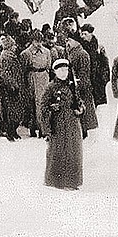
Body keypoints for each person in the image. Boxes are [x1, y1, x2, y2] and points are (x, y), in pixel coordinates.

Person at [39, 58, 84, 190]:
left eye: (66, 70)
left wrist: (80, 109)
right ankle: (57, 181)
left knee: (73, 151)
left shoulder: (72, 85)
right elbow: (43, 107)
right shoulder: (51, 87)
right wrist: (47, 129)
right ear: (55, 72)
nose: (64, 73)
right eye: (61, 70)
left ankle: (72, 181)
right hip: (57, 124)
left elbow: (80, 102)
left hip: (72, 123)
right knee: (59, 151)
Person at [21, 30, 51, 138]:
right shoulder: (26, 53)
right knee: (32, 104)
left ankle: (43, 128)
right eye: (36, 41)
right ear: (32, 41)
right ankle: (33, 128)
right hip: (32, 79)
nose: (38, 44)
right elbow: (24, 70)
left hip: (44, 78)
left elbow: (48, 65)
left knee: (43, 103)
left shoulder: (46, 52)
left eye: (40, 41)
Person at [0, 35, 26, 141]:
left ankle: (13, 131)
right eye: (13, 45)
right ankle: (10, 131)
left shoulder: (9, 55)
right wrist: (13, 85)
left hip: (13, 86)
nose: (15, 47)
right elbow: (5, 73)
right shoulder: (6, 56)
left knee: (15, 110)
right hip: (10, 88)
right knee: (11, 111)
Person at [78, 24, 110, 107]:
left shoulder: (98, 46)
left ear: (91, 34)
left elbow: (105, 63)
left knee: (100, 103)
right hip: (89, 78)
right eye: (82, 34)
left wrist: (104, 77)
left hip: (98, 79)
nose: (83, 36)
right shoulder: (82, 47)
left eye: (85, 34)